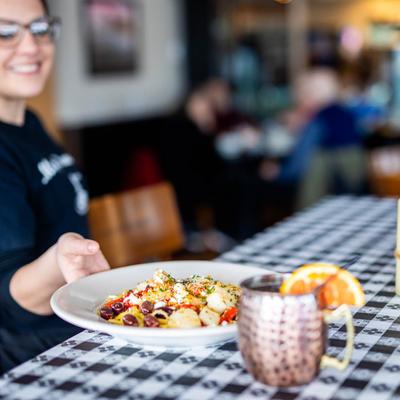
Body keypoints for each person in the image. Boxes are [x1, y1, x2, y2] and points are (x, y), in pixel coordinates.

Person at [0, 0, 110, 373]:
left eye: (40, 28)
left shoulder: (28, 122)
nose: (31, 46)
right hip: (39, 360)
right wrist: (60, 256)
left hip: (81, 323)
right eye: (5, 31)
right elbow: (12, 299)